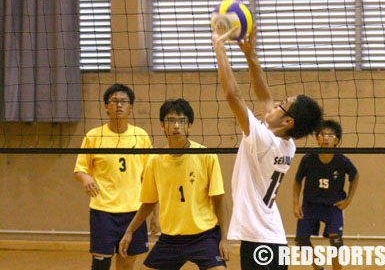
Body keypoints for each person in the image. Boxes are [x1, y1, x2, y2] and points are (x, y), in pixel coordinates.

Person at [212, 24, 323, 270]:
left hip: (259, 241)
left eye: (281, 104)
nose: (273, 105)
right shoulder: (286, 143)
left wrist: (219, 48)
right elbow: (264, 98)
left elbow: (233, 96)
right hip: (276, 241)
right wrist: (251, 56)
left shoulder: (263, 139)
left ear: (287, 121)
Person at [119, 98, 230, 270]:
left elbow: (219, 200)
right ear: (163, 125)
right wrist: (129, 231)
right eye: (171, 121)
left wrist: (224, 238)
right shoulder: (155, 161)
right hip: (171, 239)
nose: (176, 126)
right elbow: (148, 202)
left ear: (189, 125)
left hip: (204, 236)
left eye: (182, 121)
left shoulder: (206, 156)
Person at [73, 84, 158, 270]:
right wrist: (85, 178)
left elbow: (150, 179)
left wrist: (155, 215)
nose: (119, 106)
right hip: (103, 211)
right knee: (100, 264)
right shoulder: (93, 136)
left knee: (127, 263)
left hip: (134, 212)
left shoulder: (140, 136)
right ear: (106, 106)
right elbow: (80, 170)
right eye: (114, 101)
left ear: (131, 107)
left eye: (124, 102)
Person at [293, 120, 359, 270]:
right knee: (302, 240)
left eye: (330, 135)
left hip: (333, 206)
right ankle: (319, 268)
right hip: (310, 205)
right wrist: (296, 204)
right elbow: (297, 181)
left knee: (335, 240)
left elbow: (355, 176)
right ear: (317, 138)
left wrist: (349, 199)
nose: (326, 138)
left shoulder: (342, 160)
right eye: (322, 135)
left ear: (336, 140)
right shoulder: (308, 159)